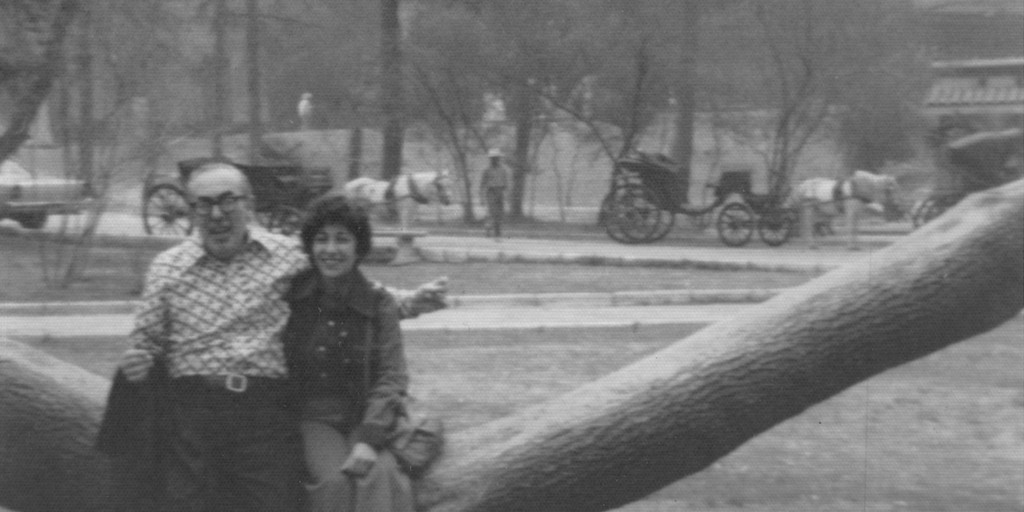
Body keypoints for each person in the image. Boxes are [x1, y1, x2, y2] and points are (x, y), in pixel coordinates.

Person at [114, 162, 445, 511]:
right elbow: (145, 341)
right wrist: (140, 357)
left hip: (263, 410)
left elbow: (347, 287)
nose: (216, 214)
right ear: (191, 209)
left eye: (228, 201)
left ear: (249, 204)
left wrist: (412, 302)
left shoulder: (286, 255)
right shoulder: (167, 268)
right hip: (195, 409)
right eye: (203, 204)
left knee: (279, 501)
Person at [283, 195, 415, 512]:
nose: (331, 250)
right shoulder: (293, 298)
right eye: (321, 239)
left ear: (358, 247)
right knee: (334, 482)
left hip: (365, 415)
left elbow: (391, 375)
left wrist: (369, 438)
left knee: (379, 473)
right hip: (312, 419)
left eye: (342, 239)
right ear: (310, 247)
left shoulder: (378, 302)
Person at [479, 147, 509, 239]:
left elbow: (505, 184)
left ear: (499, 158)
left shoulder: (503, 170)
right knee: (493, 212)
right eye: (493, 158)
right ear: (490, 159)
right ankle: (493, 230)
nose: (495, 159)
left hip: (500, 192)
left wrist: (506, 195)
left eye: (496, 158)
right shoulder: (486, 170)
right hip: (491, 192)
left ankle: (496, 231)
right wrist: (481, 197)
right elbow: (482, 184)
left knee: (500, 213)